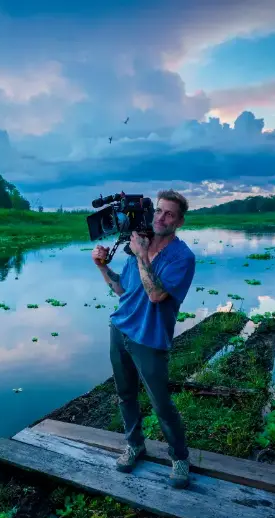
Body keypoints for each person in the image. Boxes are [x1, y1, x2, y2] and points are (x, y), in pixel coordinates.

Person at [92, 189, 196, 489]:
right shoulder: (139, 243)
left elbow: (155, 295)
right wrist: (101, 266)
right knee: (125, 395)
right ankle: (134, 444)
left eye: (169, 214)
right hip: (120, 330)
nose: (161, 217)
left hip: (149, 338)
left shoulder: (182, 257)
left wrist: (141, 255)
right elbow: (123, 290)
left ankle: (179, 457)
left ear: (179, 222)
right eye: (159, 211)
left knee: (160, 402)